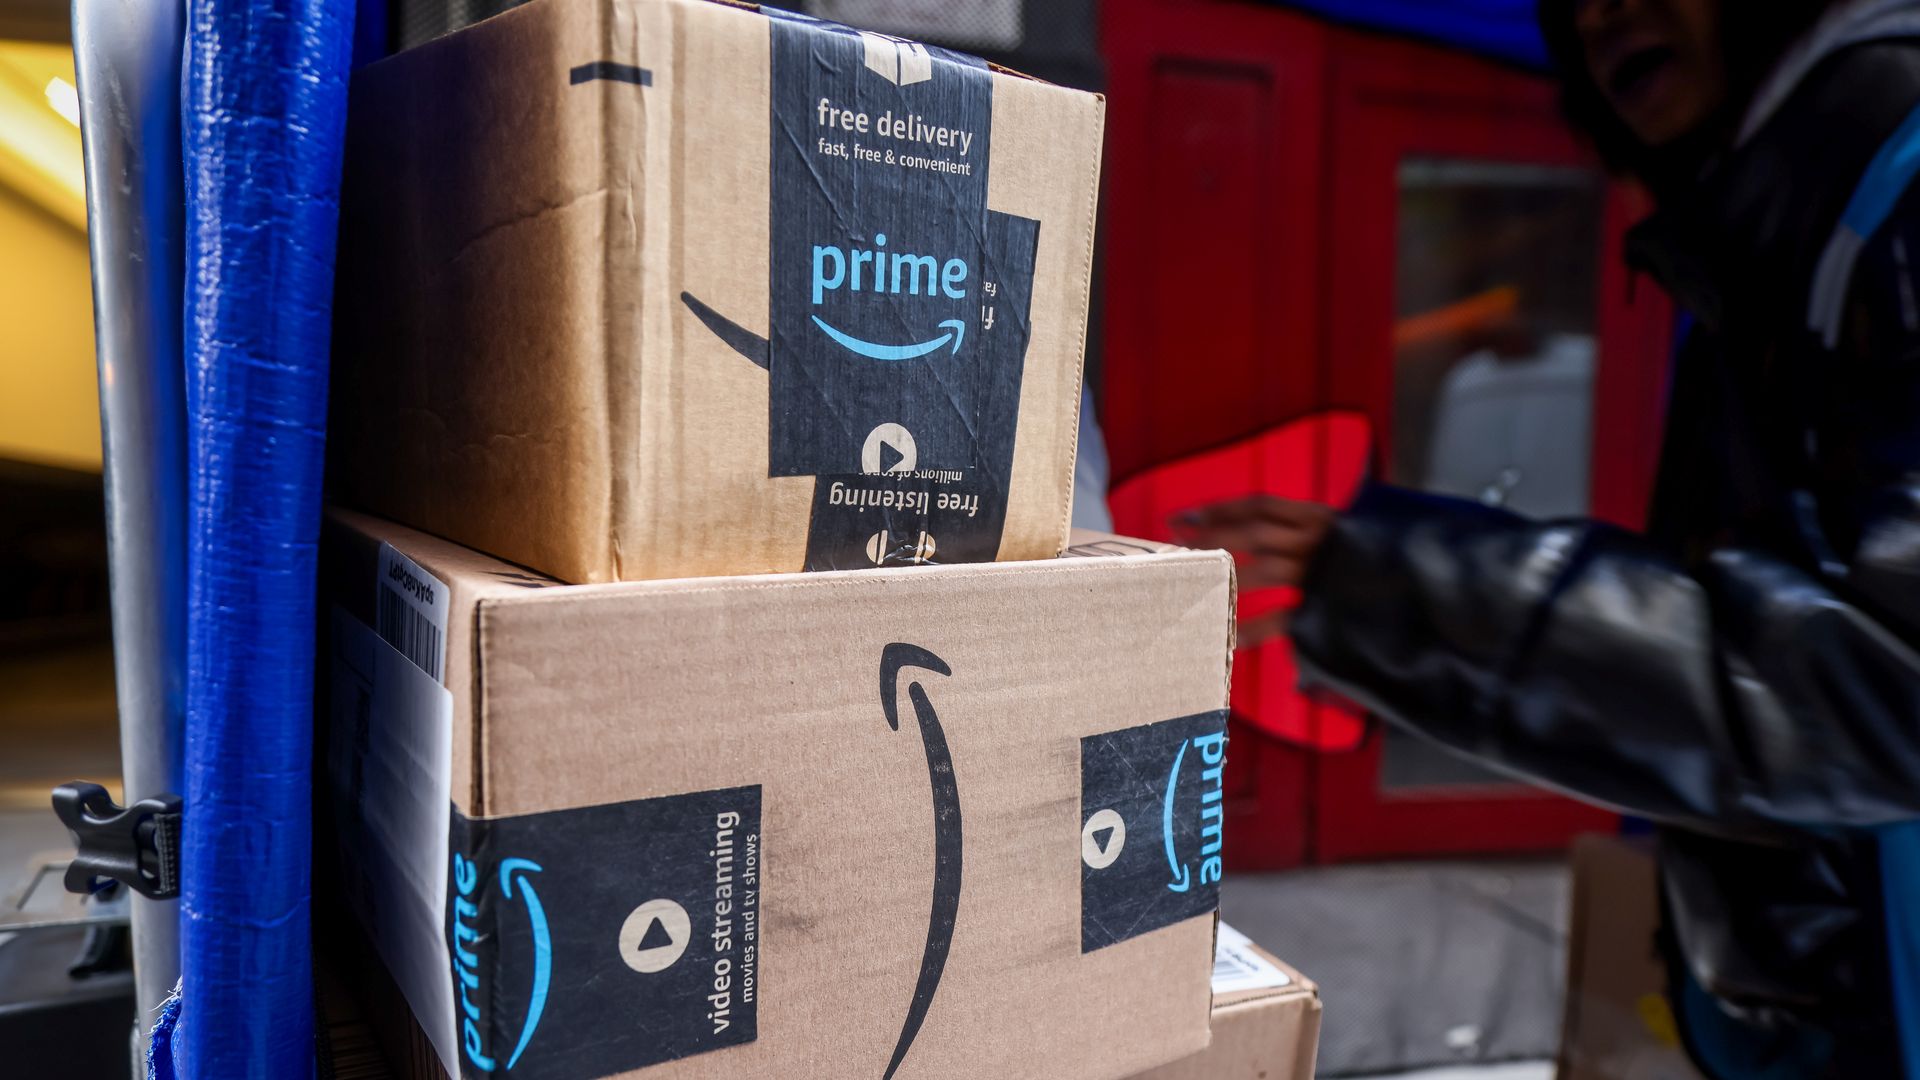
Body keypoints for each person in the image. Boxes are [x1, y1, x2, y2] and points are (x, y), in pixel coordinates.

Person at [1175, 1, 1920, 1075]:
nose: (1602, 11)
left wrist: (1405, 597)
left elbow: (1882, 674)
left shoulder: (1891, 184)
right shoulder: (1764, 229)